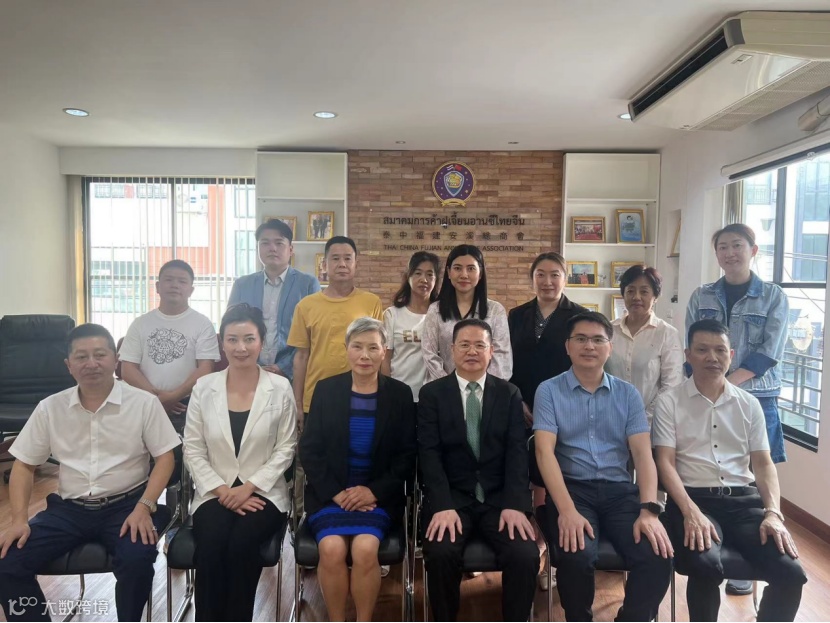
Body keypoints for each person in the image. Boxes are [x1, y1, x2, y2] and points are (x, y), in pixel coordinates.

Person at [0, 324, 180, 622]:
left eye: (100, 354)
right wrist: (19, 519)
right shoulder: (50, 408)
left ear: (115, 359)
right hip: (68, 510)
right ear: (68, 365)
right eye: (81, 357)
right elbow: (24, 464)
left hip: (127, 507)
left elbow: (165, 458)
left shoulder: (143, 403)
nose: (91, 363)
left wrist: (144, 506)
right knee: (8, 562)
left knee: (137, 560)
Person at [654, 320, 807, 621]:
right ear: (688, 355)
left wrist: (773, 513)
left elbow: (763, 464)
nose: (712, 357)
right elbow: (665, 463)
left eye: (720, 350)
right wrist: (690, 511)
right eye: (702, 350)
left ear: (731, 355)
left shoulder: (749, 404)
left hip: (744, 503)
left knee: (791, 573)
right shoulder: (669, 402)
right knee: (704, 566)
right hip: (694, 500)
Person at [534, 311, 673, 622]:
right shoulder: (549, 390)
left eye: (598, 340)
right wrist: (566, 510)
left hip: (620, 493)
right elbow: (544, 453)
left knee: (656, 554)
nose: (589, 346)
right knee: (576, 556)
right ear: (567, 346)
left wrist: (649, 511)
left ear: (610, 347)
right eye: (581, 339)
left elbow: (643, 456)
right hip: (572, 491)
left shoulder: (628, 394)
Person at [686, 223, 790, 596]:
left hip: (757, 394)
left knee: (756, 472)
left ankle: (753, 553)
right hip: (707, 392)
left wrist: (729, 383)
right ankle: (718, 548)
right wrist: (701, 387)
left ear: (753, 250)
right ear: (716, 254)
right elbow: (693, 346)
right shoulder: (702, 294)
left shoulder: (773, 296)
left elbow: (769, 352)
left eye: (737, 246)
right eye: (723, 247)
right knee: (713, 464)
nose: (730, 253)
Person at [418, 319, 538, 622]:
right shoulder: (432, 394)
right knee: (441, 553)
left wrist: (515, 504)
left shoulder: (509, 393)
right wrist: (441, 505)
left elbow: (517, 453)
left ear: (491, 351)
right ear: (452, 349)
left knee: (524, 554)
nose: (472, 351)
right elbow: (429, 454)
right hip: (453, 499)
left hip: (499, 500)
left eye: (479, 345)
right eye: (464, 345)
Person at [184, 304, 297, 621]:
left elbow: (286, 447)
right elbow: (193, 448)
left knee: (242, 544)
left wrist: (248, 487)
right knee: (211, 543)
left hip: (263, 493)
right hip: (213, 492)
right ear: (222, 342)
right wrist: (223, 491)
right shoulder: (204, 387)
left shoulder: (280, 387)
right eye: (232, 339)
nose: (241, 348)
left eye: (249, 339)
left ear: (262, 341)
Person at [300, 318, 416, 621]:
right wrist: (337, 494)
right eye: (358, 347)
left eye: (373, 348)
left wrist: (373, 491)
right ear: (347, 349)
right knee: (331, 549)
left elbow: (407, 456)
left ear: (384, 351)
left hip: (378, 498)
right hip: (331, 496)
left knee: (365, 549)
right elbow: (309, 450)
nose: (365, 355)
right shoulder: (326, 390)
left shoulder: (400, 394)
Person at [287, 236, 383, 516]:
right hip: (317, 400)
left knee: (361, 460)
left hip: (364, 397)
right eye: (335, 258)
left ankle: (362, 511)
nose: (342, 264)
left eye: (347, 258)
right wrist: (298, 403)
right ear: (325, 265)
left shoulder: (371, 301)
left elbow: (379, 350)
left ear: (356, 263)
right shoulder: (307, 305)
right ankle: (307, 521)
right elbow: (301, 357)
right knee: (312, 464)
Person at [508, 251, 587, 591]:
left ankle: (548, 554)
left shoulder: (579, 317)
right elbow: (505, 362)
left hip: (562, 407)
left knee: (550, 476)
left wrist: (548, 405)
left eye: (555, 274)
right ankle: (521, 545)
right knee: (521, 472)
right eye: (541, 274)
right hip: (520, 406)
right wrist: (517, 398)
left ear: (565, 278)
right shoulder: (516, 315)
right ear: (532, 278)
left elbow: (581, 366)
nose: (548, 281)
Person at [119, 259, 220, 432]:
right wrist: (156, 399)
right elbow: (127, 369)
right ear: (158, 287)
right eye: (169, 279)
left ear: (191, 290)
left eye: (182, 281)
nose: (175, 285)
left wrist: (174, 396)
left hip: (187, 404)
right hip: (145, 402)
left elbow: (206, 368)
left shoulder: (203, 324)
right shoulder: (140, 323)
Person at [227, 218, 321, 381]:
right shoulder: (242, 285)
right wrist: (253, 366)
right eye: (265, 243)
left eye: (279, 243)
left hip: (293, 375)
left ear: (290, 249)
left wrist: (284, 367)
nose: (272, 248)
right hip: (249, 372)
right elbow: (230, 329)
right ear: (257, 248)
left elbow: (315, 334)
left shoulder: (307, 284)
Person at [422, 245, 512, 384]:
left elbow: (501, 356)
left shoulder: (495, 310)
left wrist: (482, 387)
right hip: (445, 389)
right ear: (449, 272)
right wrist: (451, 386)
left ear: (480, 273)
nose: (464, 275)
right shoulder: (435, 310)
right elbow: (429, 354)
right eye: (457, 268)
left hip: (487, 391)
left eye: (471, 268)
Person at [605, 265, 683, 424]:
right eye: (630, 291)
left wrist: (642, 420)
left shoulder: (667, 334)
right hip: (609, 419)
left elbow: (671, 386)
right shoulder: (608, 330)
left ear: (656, 296)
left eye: (644, 291)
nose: (636, 297)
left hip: (652, 424)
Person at [381, 251, 440, 401]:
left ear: (436, 280)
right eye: (418, 273)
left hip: (433, 396)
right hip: (400, 394)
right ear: (408, 276)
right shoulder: (392, 314)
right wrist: (389, 391)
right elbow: (385, 359)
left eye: (430, 274)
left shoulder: (441, 316)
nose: (424, 279)